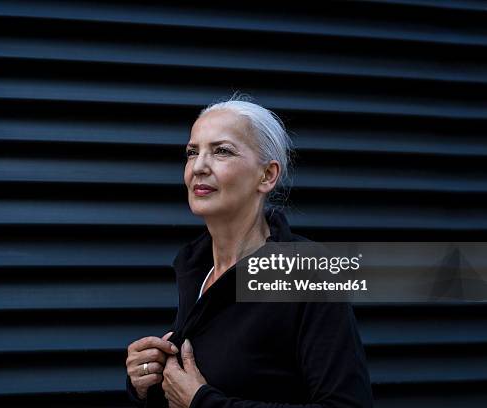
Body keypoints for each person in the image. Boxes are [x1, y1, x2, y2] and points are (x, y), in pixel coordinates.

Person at [125, 95, 374, 407]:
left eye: (221, 151)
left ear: (267, 175)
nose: (199, 166)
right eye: (192, 152)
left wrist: (203, 402)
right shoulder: (195, 269)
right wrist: (146, 382)